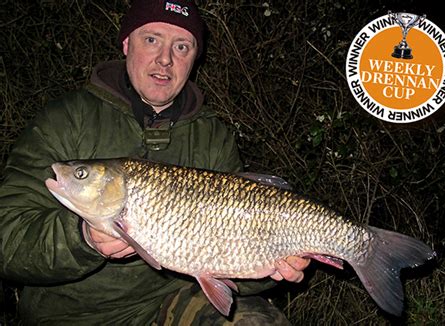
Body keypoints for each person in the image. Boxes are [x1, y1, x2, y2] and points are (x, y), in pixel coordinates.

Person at [0, 0, 310, 324]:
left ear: (195, 58)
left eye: (181, 46)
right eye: (152, 40)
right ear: (125, 43)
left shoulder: (213, 137)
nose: (165, 59)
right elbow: (7, 238)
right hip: (70, 315)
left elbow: (229, 261)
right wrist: (83, 239)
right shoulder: (67, 119)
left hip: (167, 306)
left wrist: (273, 265)